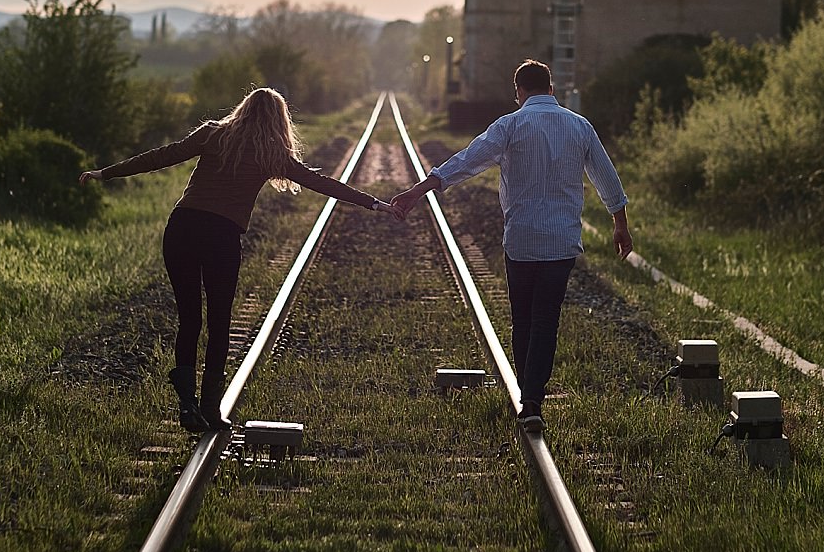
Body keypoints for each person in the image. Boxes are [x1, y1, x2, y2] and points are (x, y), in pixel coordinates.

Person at [80, 87, 400, 433]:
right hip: (221, 237)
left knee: (189, 319)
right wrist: (374, 203)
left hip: (182, 229)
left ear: (243, 109)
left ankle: (187, 403)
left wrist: (105, 173)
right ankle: (210, 409)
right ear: (280, 121)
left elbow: (161, 156)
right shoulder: (272, 153)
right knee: (219, 325)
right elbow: (321, 183)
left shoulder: (214, 134)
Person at [390, 60, 631, 434]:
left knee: (523, 318)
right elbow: (607, 178)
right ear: (551, 89)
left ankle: (528, 395)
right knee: (546, 319)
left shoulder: (510, 125)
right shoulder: (579, 126)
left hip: (521, 241)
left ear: (518, 92)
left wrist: (416, 191)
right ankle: (533, 397)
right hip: (562, 241)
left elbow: (466, 163)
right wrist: (621, 227)